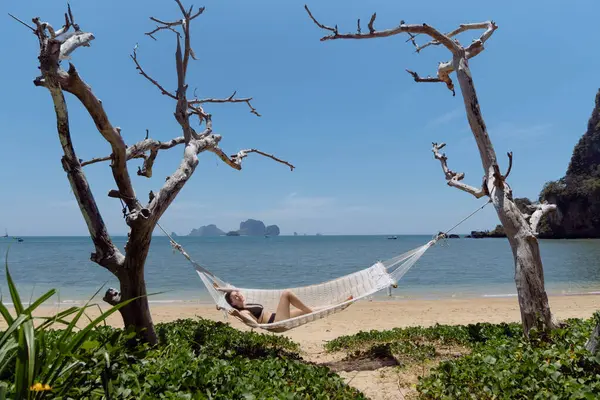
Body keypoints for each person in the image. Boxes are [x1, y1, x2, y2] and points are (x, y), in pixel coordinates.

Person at [215, 285, 352, 325]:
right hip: (276, 323)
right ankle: (311, 311)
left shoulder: (246, 302)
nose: (237, 295)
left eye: (236, 294)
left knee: (313, 309)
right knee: (286, 294)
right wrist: (239, 315)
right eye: (234, 297)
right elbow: (254, 324)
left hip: (277, 317)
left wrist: (221, 290)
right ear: (233, 303)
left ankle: (341, 305)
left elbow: (234, 289)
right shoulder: (243, 311)